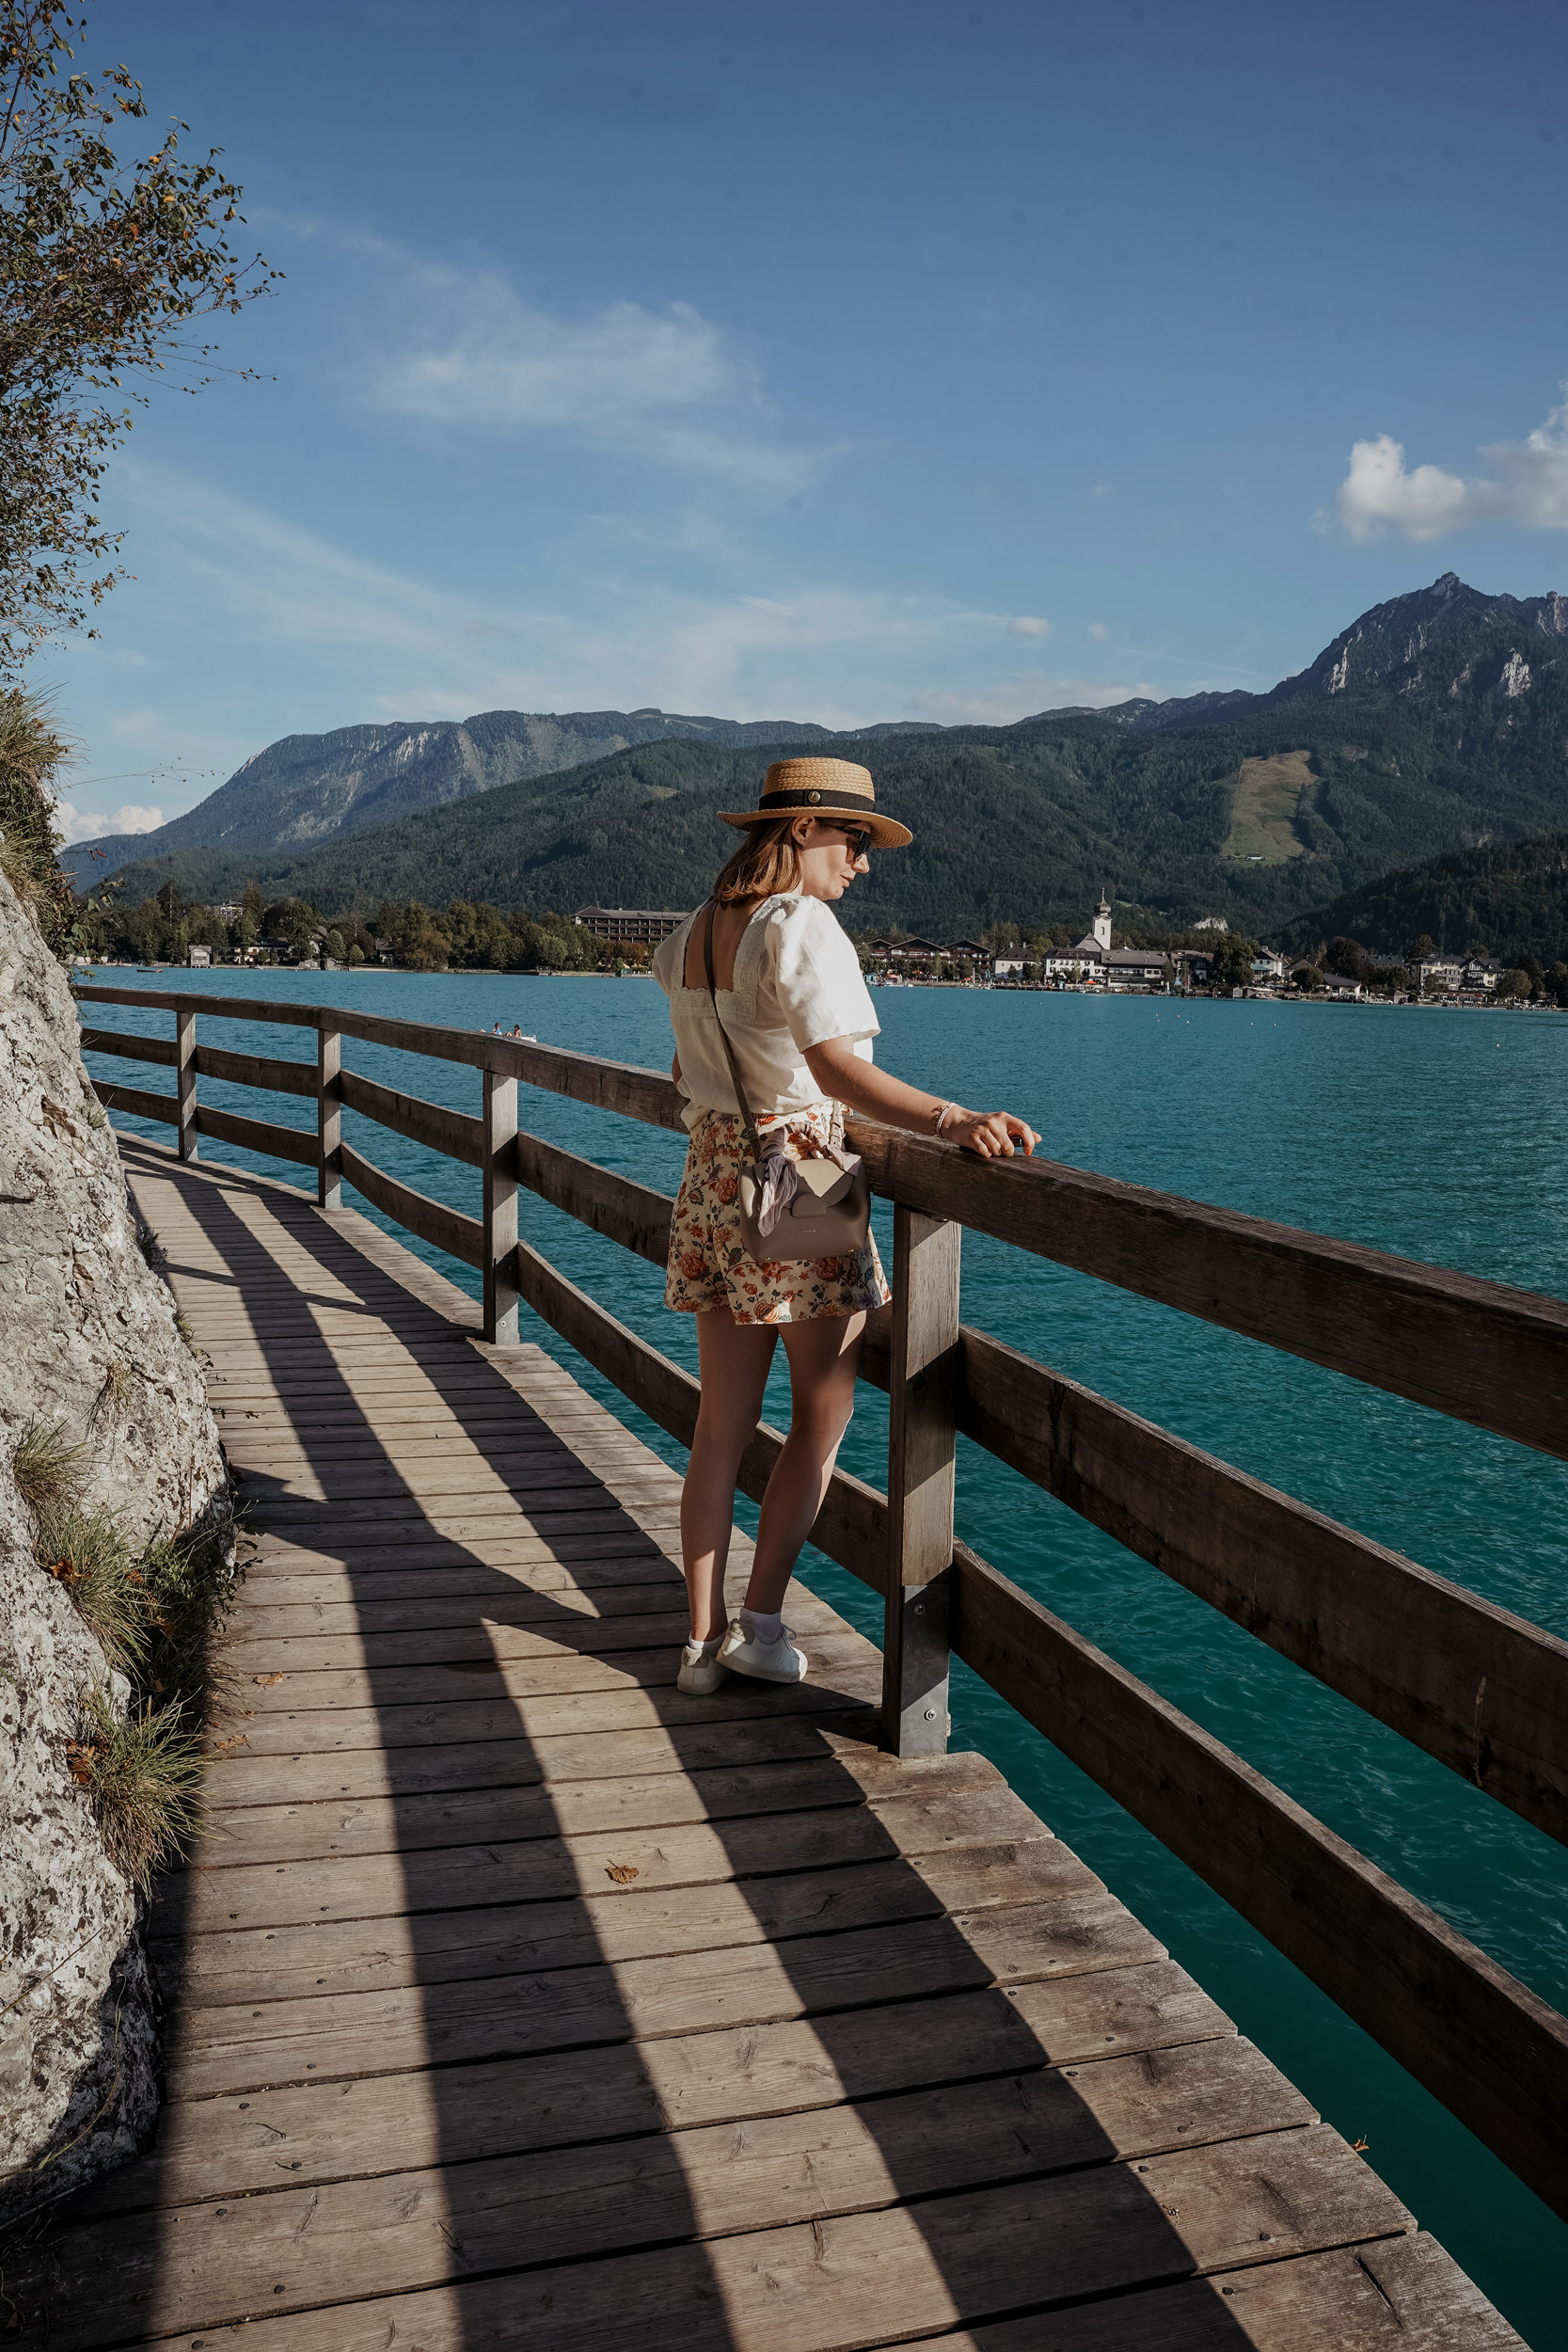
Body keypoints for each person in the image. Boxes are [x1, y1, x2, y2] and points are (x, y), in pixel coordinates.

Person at [652, 757, 1037, 1697]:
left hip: (711, 1168)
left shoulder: (691, 933)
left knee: (719, 1425)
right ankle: (761, 1624)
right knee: (824, 1411)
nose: (860, 864)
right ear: (796, 830)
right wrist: (950, 1119)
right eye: (850, 840)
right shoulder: (798, 923)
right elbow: (832, 1073)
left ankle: (697, 1644)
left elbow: (683, 1072)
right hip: (799, 1170)